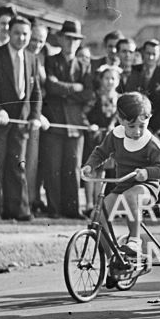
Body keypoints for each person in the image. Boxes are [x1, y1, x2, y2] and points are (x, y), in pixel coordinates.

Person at [81, 93, 160, 280]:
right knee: (99, 216)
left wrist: (147, 172)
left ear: (148, 120)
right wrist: (89, 165)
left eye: (141, 126)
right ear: (120, 120)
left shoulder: (150, 143)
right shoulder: (116, 136)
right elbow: (101, 152)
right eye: (132, 126)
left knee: (131, 196)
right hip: (121, 186)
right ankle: (116, 261)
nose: (137, 131)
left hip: (146, 188)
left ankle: (134, 241)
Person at [0, 16, 48, 221]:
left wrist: (35, 116)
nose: (21, 38)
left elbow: (36, 92)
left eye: (25, 34)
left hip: (21, 123)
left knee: (18, 165)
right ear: (9, 33)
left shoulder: (32, 58)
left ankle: (18, 209)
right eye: (17, 33)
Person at [40, 19, 91, 219]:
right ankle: (54, 208)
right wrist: (73, 88)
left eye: (76, 40)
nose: (71, 43)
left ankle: (72, 208)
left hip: (76, 124)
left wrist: (65, 90)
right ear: (61, 39)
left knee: (73, 167)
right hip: (55, 121)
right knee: (53, 167)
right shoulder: (51, 61)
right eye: (68, 38)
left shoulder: (84, 65)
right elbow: (50, 87)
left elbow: (88, 93)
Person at [82, 63, 123, 215]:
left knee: (103, 172)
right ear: (101, 80)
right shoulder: (95, 96)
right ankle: (88, 204)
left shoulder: (119, 100)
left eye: (113, 79)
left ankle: (98, 205)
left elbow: (120, 119)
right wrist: (89, 125)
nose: (109, 82)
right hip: (94, 137)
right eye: (106, 78)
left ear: (117, 81)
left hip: (110, 139)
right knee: (91, 169)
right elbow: (83, 114)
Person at [25, 22, 50, 213]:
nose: (36, 44)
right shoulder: (24, 56)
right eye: (33, 39)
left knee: (36, 163)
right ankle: (25, 199)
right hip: (29, 116)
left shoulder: (43, 57)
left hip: (43, 117)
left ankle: (33, 198)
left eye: (41, 41)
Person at [130, 39, 160, 132]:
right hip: (131, 125)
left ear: (159, 55)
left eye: (154, 54)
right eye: (148, 53)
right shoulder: (133, 70)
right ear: (143, 53)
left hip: (154, 127)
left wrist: (153, 128)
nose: (151, 57)